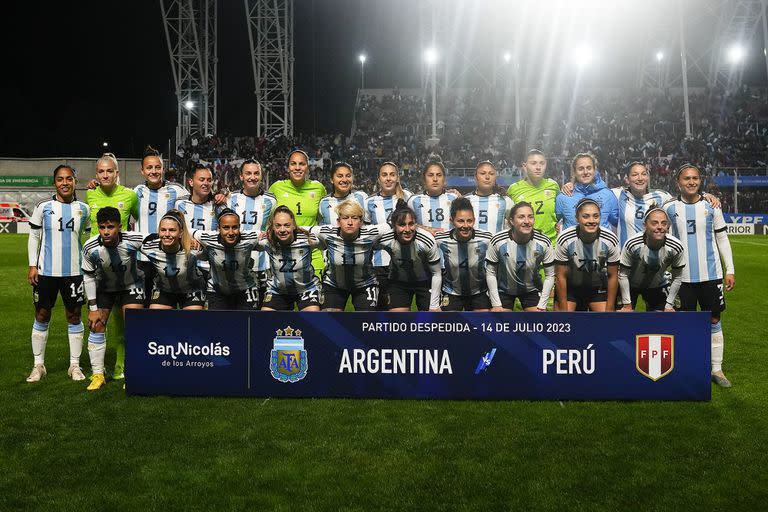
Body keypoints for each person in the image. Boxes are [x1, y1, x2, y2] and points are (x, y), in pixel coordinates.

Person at [664, 164, 735, 387]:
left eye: (695, 178)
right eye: (687, 178)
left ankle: (717, 369)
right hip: (681, 277)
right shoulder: (669, 208)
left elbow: (722, 239)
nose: (692, 182)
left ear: (700, 181)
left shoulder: (712, 206)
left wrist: (729, 269)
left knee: (714, 319)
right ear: (679, 182)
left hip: (711, 275)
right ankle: (686, 367)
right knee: (684, 323)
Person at [25, 164, 90, 382]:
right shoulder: (43, 207)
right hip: (46, 272)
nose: (65, 183)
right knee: (42, 314)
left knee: (74, 316)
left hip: (74, 272)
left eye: (69, 178)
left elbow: (86, 238)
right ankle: (38, 365)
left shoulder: (84, 208)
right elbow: (34, 237)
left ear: (75, 182)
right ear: (55, 182)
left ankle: (74, 365)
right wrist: (32, 265)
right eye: (60, 179)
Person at [85, 153, 139, 380]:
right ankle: (98, 371)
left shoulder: (130, 195)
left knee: (125, 322)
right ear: (96, 175)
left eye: (110, 171)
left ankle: (122, 368)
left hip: (124, 266)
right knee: (97, 318)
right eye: (101, 171)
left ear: (117, 173)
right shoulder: (90, 194)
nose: (105, 175)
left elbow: (139, 220)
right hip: (97, 267)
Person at [81, 207, 146, 391]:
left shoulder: (134, 239)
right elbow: (88, 277)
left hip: (131, 285)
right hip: (105, 288)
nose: (106, 231)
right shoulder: (90, 247)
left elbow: (157, 243)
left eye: (111, 226)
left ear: (120, 226)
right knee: (96, 325)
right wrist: (93, 308)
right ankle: (98, 374)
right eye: (102, 227)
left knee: (133, 325)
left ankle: (134, 372)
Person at [133, 146, 190, 307]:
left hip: (168, 257)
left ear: (163, 169)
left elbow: (196, 200)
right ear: (142, 171)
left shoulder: (176, 190)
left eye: (158, 167)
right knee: (143, 307)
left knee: (166, 303)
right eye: (149, 168)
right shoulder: (136, 192)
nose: (154, 171)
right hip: (143, 259)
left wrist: (218, 195)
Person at [311, 201, 392, 311]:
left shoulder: (371, 233)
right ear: (338, 221)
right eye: (345, 218)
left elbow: (391, 225)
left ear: (361, 222)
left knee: (366, 321)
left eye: (354, 218)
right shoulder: (327, 232)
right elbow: (299, 229)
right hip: (334, 284)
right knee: (329, 320)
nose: (350, 222)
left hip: (365, 284)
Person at [485, 202, 555, 312]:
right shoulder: (497, 240)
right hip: (503, 290)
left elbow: (550, 275)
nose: (527, 221)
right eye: (521, 217)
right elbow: (490, 272)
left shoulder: (544, 242)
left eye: (530, 217)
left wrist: (542, 305)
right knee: (500, 322)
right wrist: (496, 304)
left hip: (531, 290)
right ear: (511, 221)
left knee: (538, 321)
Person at [554, 198, 620, 312]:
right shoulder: (565, 238)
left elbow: (612, 276)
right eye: (586, 216)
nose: (591, 220)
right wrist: (563, 313)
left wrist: (609, 309)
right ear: (577, 218)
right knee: (564, 322)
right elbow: (561, 276)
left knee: (606, 323)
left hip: (597, 287)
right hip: (571, 288)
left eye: (596, 216)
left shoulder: (610, 239)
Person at [375, 200, 441, 311]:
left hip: (425, 282)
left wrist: (434, 306)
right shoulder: (385, 239)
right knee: (398, 322)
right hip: (398, 282)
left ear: (416, 224)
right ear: (394, 226)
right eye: (401, 225)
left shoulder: (426, 240)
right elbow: (366, 247)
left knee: (430, 322)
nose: (407, 230)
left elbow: (436, 273)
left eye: (411, 224)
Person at [268, 150, 327, 275]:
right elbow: (267, 216)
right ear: (288, 167)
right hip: (284, 254)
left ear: (308, 167)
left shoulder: (318, 188)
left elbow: (325, 217)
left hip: (312, 252)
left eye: (302, 164)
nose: (297, 168)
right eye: (293, 164)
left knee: (314, 293)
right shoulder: (276, 188)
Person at [365, 161, 414, 310]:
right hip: (379, 265)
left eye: (392, 174)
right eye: (384, 175)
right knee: (381, 311)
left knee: (399, 309)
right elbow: (367, 234)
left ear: (398, 177)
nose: (388, 178)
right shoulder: (369, 202)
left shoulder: (408, 198)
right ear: (378, 179)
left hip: (404, 263)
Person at [227, 159, 276, 302]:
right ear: (241, 176)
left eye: (256, 173)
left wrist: (270, 232)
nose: (252, 177)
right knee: (237, 309)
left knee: (262, 309)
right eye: (248, 173)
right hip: (236, 262)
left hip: (262, 264)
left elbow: (274, 224)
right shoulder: (231, 198)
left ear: (261, 176)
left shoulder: (271, 200)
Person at [191, 209, 261, 310]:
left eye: (235, 227)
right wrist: (192, 240)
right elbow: (186, 232)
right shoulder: (208, 238)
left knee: (246, 324)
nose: (231, 232)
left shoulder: (250, 237)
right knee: (218, 325)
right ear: (218, 228)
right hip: (216, 291)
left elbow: (269, 235)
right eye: (226, 227)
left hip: (245, 290)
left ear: (239, 227)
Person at [255, 206, 322, 311]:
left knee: (313, 316)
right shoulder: (266, 241)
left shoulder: (308, 240)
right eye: (278, 226)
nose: (282, 230)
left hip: (306, 289)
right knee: (265, 318)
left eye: (287, 225)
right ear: (272, 227)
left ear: (294, 225)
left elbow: (329, 238)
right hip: (277, 290)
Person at [618, 208, 685, 312]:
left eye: (663, 223)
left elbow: (677, 277)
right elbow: (622, 275)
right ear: (645, 226)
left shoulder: (676, 247)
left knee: (662, 323)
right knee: (622, 321)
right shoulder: (632, 244)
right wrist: (627, 304)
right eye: (654, 223)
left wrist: (669, 305)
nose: (659, 227)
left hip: (658, 284)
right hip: (630, 284)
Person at [435, 197, 493, 311]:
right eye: (460, 221)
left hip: (479, 292)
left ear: (474, 220)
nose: (466, 225)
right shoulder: (440, 239)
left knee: (481, 327)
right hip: (451, 291)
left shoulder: (486, 238)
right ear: (452, 221)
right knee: (449, 327)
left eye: (469, 221)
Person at [140, 209, 206, 310]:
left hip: (192, 290)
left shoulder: (194, 249)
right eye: (163, 230)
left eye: (172, 230)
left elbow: (214, 254)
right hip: (164, 290)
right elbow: (127, 240)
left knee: (193, 322)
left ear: (180, 233)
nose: (167, 234)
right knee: (156, 320)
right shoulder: (148, 247)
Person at [507, 149, 561, 244]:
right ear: (524, 166)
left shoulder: (553, 186)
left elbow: (560, 212)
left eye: (542, 163)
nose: (538, 167)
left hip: (551, 244)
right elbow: (509, 219)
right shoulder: (514, 189)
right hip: (524, 244)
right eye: (533, 163)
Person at [555, 153, 618, 230]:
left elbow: (620, 223)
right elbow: (552, 223)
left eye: (589, 168)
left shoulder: (608, 195)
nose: (585, 172)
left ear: (594, 170)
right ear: (574, 172)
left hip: (601, 242)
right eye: (581, 169)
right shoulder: (563, 197)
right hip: (573, 242)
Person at [407, 161, 458, 234]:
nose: (435, 179)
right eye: (430, 175)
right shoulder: (413, 201)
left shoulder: (454, 198)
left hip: (450, 244)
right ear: (424, 178)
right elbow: (406, 224)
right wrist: (425, 228)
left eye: (439, 175)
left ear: (444, 179)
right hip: (424, 244)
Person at [465, 160, 513, 233]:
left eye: (491, 174)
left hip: (496, 244)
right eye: (483, 173)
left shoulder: (505, 201)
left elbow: (514, 224)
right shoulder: (465, 201)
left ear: (495, 177)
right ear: (475, 177)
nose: (487, 177)